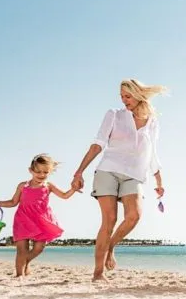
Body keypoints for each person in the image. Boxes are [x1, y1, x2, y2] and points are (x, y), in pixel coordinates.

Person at [70, 78, 167, 282]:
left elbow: (152, 153)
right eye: (122, 96)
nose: (124, 100)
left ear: (139, 94)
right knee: (110, 220)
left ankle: (111, 246)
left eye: (128, 96)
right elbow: (98, 144)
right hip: (108, 170)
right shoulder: (114, 114)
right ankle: (98, 273)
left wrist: (159, 181)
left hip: (135, 175)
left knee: (134, 216)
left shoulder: (152, 122)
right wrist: (79, 172)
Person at [0, 153, 78, 277]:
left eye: (45, 172)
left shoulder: (48, 186)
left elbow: (64, 195)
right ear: (31, 170)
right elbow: (13, 202)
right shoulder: (23, 186)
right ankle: (19, 275)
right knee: (21, 250)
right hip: (23, 220)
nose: (41, 175)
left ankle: (25, 262)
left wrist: (73, 189)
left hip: (41, 221)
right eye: (38, 172)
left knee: (39, 248)